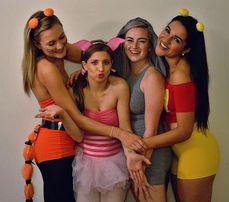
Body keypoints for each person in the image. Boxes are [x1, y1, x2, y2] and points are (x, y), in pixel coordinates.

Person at [22, 8, 145, 202]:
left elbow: (92, 55)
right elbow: (77, 118)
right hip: (55, 145)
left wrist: (88, 68)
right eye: (51, 43)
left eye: (62, 37)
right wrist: (121, 134)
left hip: (70, 139)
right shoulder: (46, 68)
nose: (60, 45)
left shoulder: (59, 51)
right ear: (37, 44)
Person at [130, 8, 220, 202]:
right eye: (168, 30)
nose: (166, 39)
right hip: (178, 154)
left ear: (186, 49)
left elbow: (184, 131)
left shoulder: (180, 73)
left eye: (177, 40)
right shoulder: (165, 66)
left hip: (195, 152)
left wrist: (140, 144)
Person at [71, 38, 142, 202]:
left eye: (106, 62)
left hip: (115, 162)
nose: (101, 68)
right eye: (94, 62)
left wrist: (131, 154)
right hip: (86, 163)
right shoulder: (75, 88)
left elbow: (125, 127)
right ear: (84, 65)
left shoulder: (120, 86)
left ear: (112, 64)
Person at [114, 17, 173, 202]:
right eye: (129, 40)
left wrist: (141, 164)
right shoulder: (124, 73)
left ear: (150, 46)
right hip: (134, 154)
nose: (135, 46)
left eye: (142, 41)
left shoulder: (152, 76)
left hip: (150, 156)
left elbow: (152, 130)